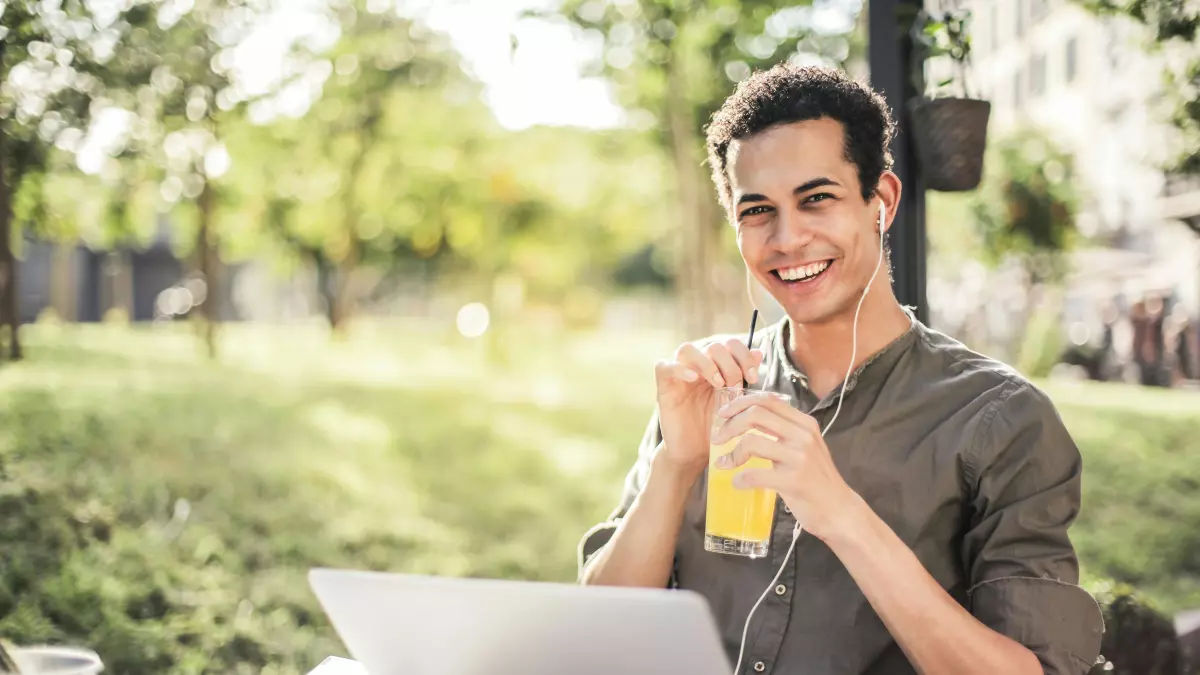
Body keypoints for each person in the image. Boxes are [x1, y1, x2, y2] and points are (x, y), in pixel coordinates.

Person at [577, 65, 1103, 675]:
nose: (788, 238)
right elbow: (601, 630)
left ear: (881, 202)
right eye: (757, 211)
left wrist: (841, 513)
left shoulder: (1001, 420)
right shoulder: (707, 391)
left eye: (816, 199)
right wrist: (676, 466)